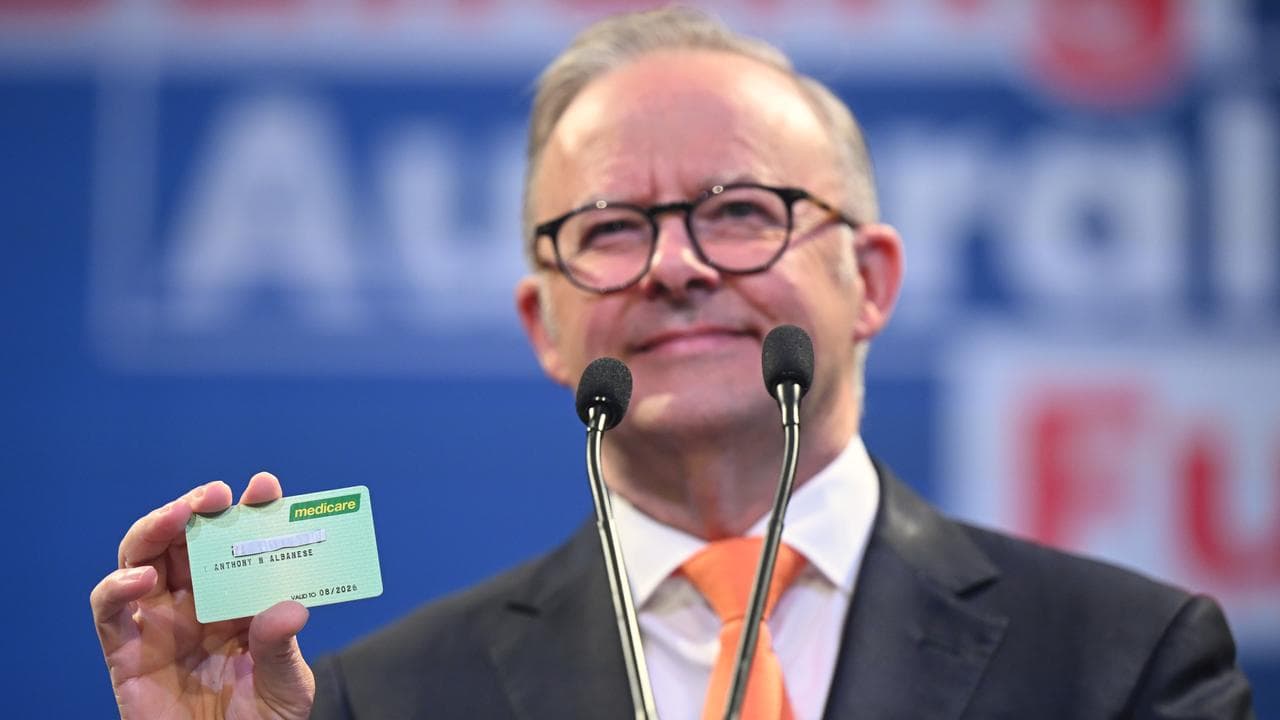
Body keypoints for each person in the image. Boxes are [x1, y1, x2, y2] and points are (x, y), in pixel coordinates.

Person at [91, 7, 1255, 719]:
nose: (673, 268)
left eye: (741, 211)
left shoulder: (1122, 667)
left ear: (874, 281)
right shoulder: (378, 702)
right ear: (542, 325)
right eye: (607, 230)